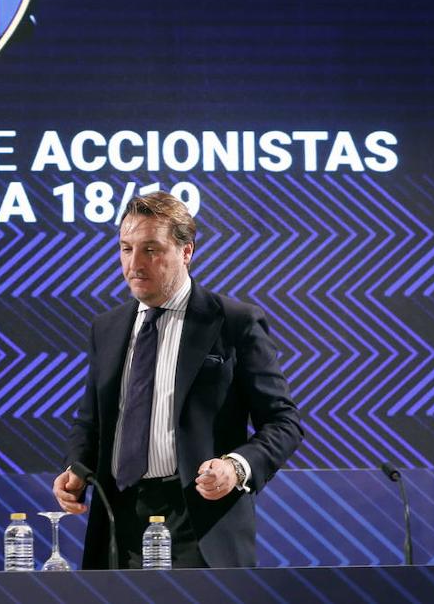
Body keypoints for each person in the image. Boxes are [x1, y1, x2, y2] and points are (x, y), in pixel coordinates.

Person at [53, 191, 302, 568]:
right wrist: (76, 467)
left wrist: (236, 467)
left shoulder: (234, 322)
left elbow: (284, 422)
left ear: (186, 252)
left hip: (200, 522)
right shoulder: (106, 328)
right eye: (125, 248)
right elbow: (91, 422)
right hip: (119, 523)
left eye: (151, 249)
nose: (134, 264)